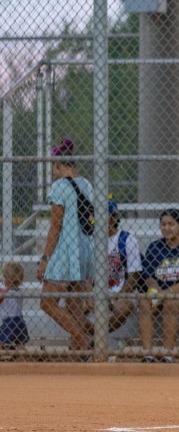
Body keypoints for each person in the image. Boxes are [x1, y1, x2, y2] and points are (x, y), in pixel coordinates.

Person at [37, 138, 95, 353]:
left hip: (65, 252)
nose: (53, 169)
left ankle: (82, 339)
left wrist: (45, 259)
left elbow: (55, 226)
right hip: (85, 249)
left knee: (47, 303)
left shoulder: (60, 186)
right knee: (74, 304)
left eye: (54, 165)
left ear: (60, 165)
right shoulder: (86, 183)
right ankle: (80, 353)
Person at [138, 209, 179, 363]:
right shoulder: (155, 247)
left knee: (171, 303)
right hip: (161, 293)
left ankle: (167, 354)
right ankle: (148, 354)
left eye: (171, 224)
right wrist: (156, 290)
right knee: (144, 303)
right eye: (163, 224)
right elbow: (148, 276)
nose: (166, 228)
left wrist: (167, 292)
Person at [106, 196, 144, 332]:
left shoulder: (127, 239)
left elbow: (134, 277)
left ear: (115, 217)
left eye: (105, 215)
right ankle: (85, 341)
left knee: (123, 307)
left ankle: (95, 338)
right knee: (75, 305)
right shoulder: (90, 239)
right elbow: (85, 275)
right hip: (95, 291)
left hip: (122, 292)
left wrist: (117, 296)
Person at [1, 262, 29, 352]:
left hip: (10, 322)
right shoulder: (19, 292)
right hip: (21, 322)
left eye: (4, 278)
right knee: (20, 344)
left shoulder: (5, 293)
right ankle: (23, 360)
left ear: (7, 280)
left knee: (1, 340)